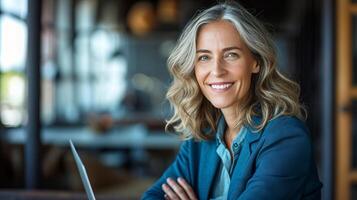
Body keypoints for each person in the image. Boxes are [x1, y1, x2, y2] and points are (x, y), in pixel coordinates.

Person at [142, 2, 322, 200]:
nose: (217, 70)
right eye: (204, 57)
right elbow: (153, 196)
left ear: (256, 62)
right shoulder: (200, 138)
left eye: (231, 55)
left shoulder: (285, 137)